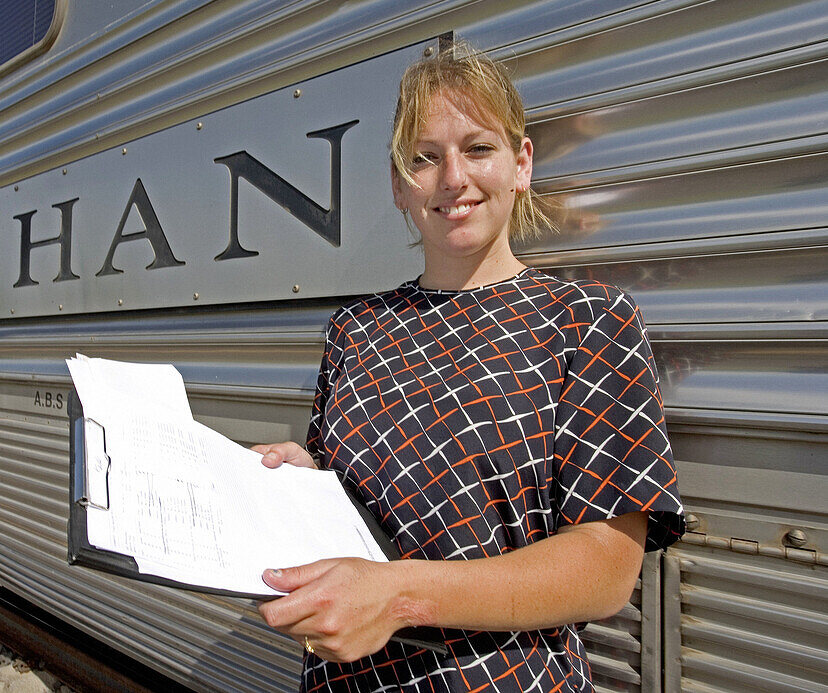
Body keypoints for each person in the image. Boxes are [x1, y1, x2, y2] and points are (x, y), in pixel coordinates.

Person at [250, 41, 684, 693]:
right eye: (424, 158)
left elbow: (604, 568)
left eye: (478, 148)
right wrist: (309, 481)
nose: (453, 178)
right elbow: (363, 511)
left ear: (521, 163)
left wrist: (399, 597)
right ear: (399, 185)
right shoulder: (358, 328)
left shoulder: (587, 319)